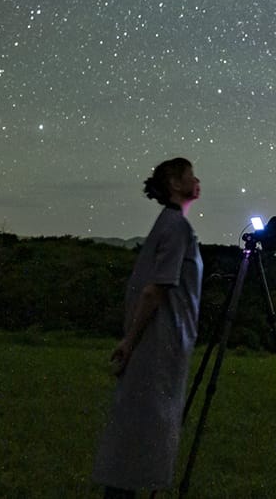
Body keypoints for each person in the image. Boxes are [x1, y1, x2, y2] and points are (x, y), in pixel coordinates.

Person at [92, 157, 203, 499]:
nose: (197, 180)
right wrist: (130, 341)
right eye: (191, 176)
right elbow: (156, 289)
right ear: (174, 183)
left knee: (135, 429)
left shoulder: (166, 224)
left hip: (158, 341)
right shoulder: (177, 227)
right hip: (160, 342)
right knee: (143, 431)